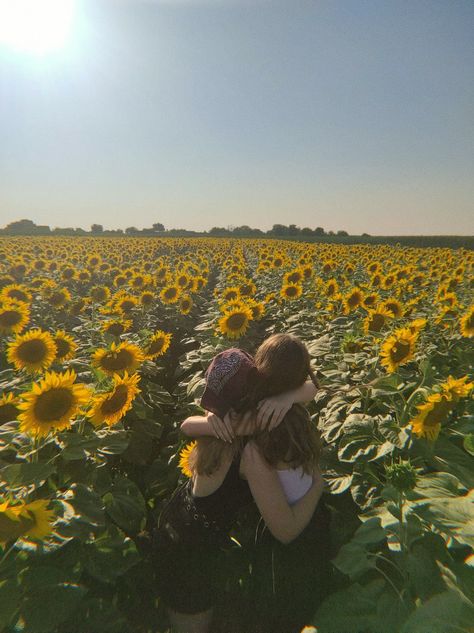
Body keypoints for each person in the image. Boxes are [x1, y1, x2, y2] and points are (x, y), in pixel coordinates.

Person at [152, 334, 327, 633]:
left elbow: (185, 425)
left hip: (180, 518)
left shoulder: (230, 417)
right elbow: (285, 530)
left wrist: (209, 417)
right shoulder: (251, 438)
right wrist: (318, 486)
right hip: (190, 550)